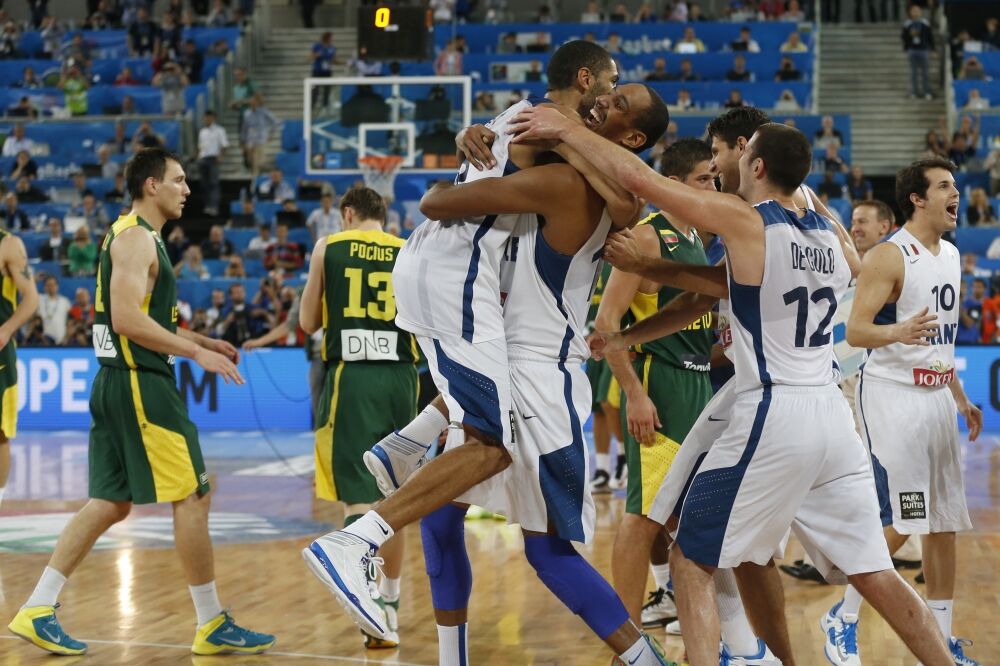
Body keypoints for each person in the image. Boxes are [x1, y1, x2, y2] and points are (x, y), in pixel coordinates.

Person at [509, 108, 955, 666]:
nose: (728, 164)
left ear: (757, 163)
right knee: (876, 574)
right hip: (832, 420)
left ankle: (729, 655)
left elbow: (644, 182)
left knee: (690, 560)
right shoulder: (825, 230)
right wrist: (647, 292)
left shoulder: (748, 221)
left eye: (740, 156)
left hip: (775, 408)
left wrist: (569, 131)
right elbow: (732, 285)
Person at [301, 41, 650, 655]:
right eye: (613, 86)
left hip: (466, 289)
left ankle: (404, 446)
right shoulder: (550, 129)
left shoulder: (536, 125)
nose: (612, 97)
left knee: (459, 492)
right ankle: (356, 538)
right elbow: (620, 198)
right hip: (462, 281)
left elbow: (623, 198)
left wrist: (491, 134)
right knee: (490, 446)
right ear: (586, 79)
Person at [9, 149, 274, 656]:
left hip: (115, 380)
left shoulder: (132, 235)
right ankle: (211, 621)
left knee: (110, 501)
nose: (187, 189)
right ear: (151, 185)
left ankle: (38, 608)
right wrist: (196, 352)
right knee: (194, 495)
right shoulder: (135, 238)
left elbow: (136, 315)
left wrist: (201, 337)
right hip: (139, 383)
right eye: (178, 180)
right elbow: (128, 320)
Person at [824, 158, 983, 666]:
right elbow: (856, 332)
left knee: (943, 523)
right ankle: (843, 616)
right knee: (905, 517)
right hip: (891, 394)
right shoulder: (890, 257)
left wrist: (959, 395)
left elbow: (940, 337)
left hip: (936, 398)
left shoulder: (953, 255)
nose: (954, 194)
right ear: (916, 198)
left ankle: (941, 640)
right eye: (943, 187)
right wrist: (897, 332)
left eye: (955, 186)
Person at [593, 139, 716, 629]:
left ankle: (677, 602)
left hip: (698, 381)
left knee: (682, 512)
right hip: (658, 382)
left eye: (714, 177)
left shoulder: (696, 238)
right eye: (704, 179)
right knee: (643, 514)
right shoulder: (646, 238)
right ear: (675, 185)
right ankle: (625, 638)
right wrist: (636, 395)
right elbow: (607, 320)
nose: (714, 186)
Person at [297, 186, 417, 649]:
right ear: (382, 217)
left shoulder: (329, 246)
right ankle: (390, 602)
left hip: (353, 377)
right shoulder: (406, 248)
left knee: (356, 498)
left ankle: (367, 609)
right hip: (402, 380)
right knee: (396, 498)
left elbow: (308, 321)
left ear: (347, 214)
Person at [0, 223, 39, 507]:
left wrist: (6, 330)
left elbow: (32, 298)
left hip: (0, 353)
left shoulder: (9, 244)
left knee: (0, 434)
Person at [197, 110, 228, 216]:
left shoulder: (220, 130)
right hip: (203, 158)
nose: (207, 119)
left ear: (213, 118)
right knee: (204, 184)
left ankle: (214, 206)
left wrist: (221, 156)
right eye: (205, 118)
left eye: (209, 117)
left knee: (213, 183)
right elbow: (200, 147)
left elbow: (224, 145)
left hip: (213, 158)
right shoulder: (202, 132)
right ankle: (207, 206)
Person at [903, 4, 934, 100]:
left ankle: (927, 92)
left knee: (925, 72)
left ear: (920, 12)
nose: (915, 12)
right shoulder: (907, 24)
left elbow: (930, 37)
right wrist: (909, 36)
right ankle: (914, 92)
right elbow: (903, 37)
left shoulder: (925, 23)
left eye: (917, 10)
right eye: (913, 11)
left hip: (923, 49)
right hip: (912, 50)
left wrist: (933, 49)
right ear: (910, 13)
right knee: (913, 73)